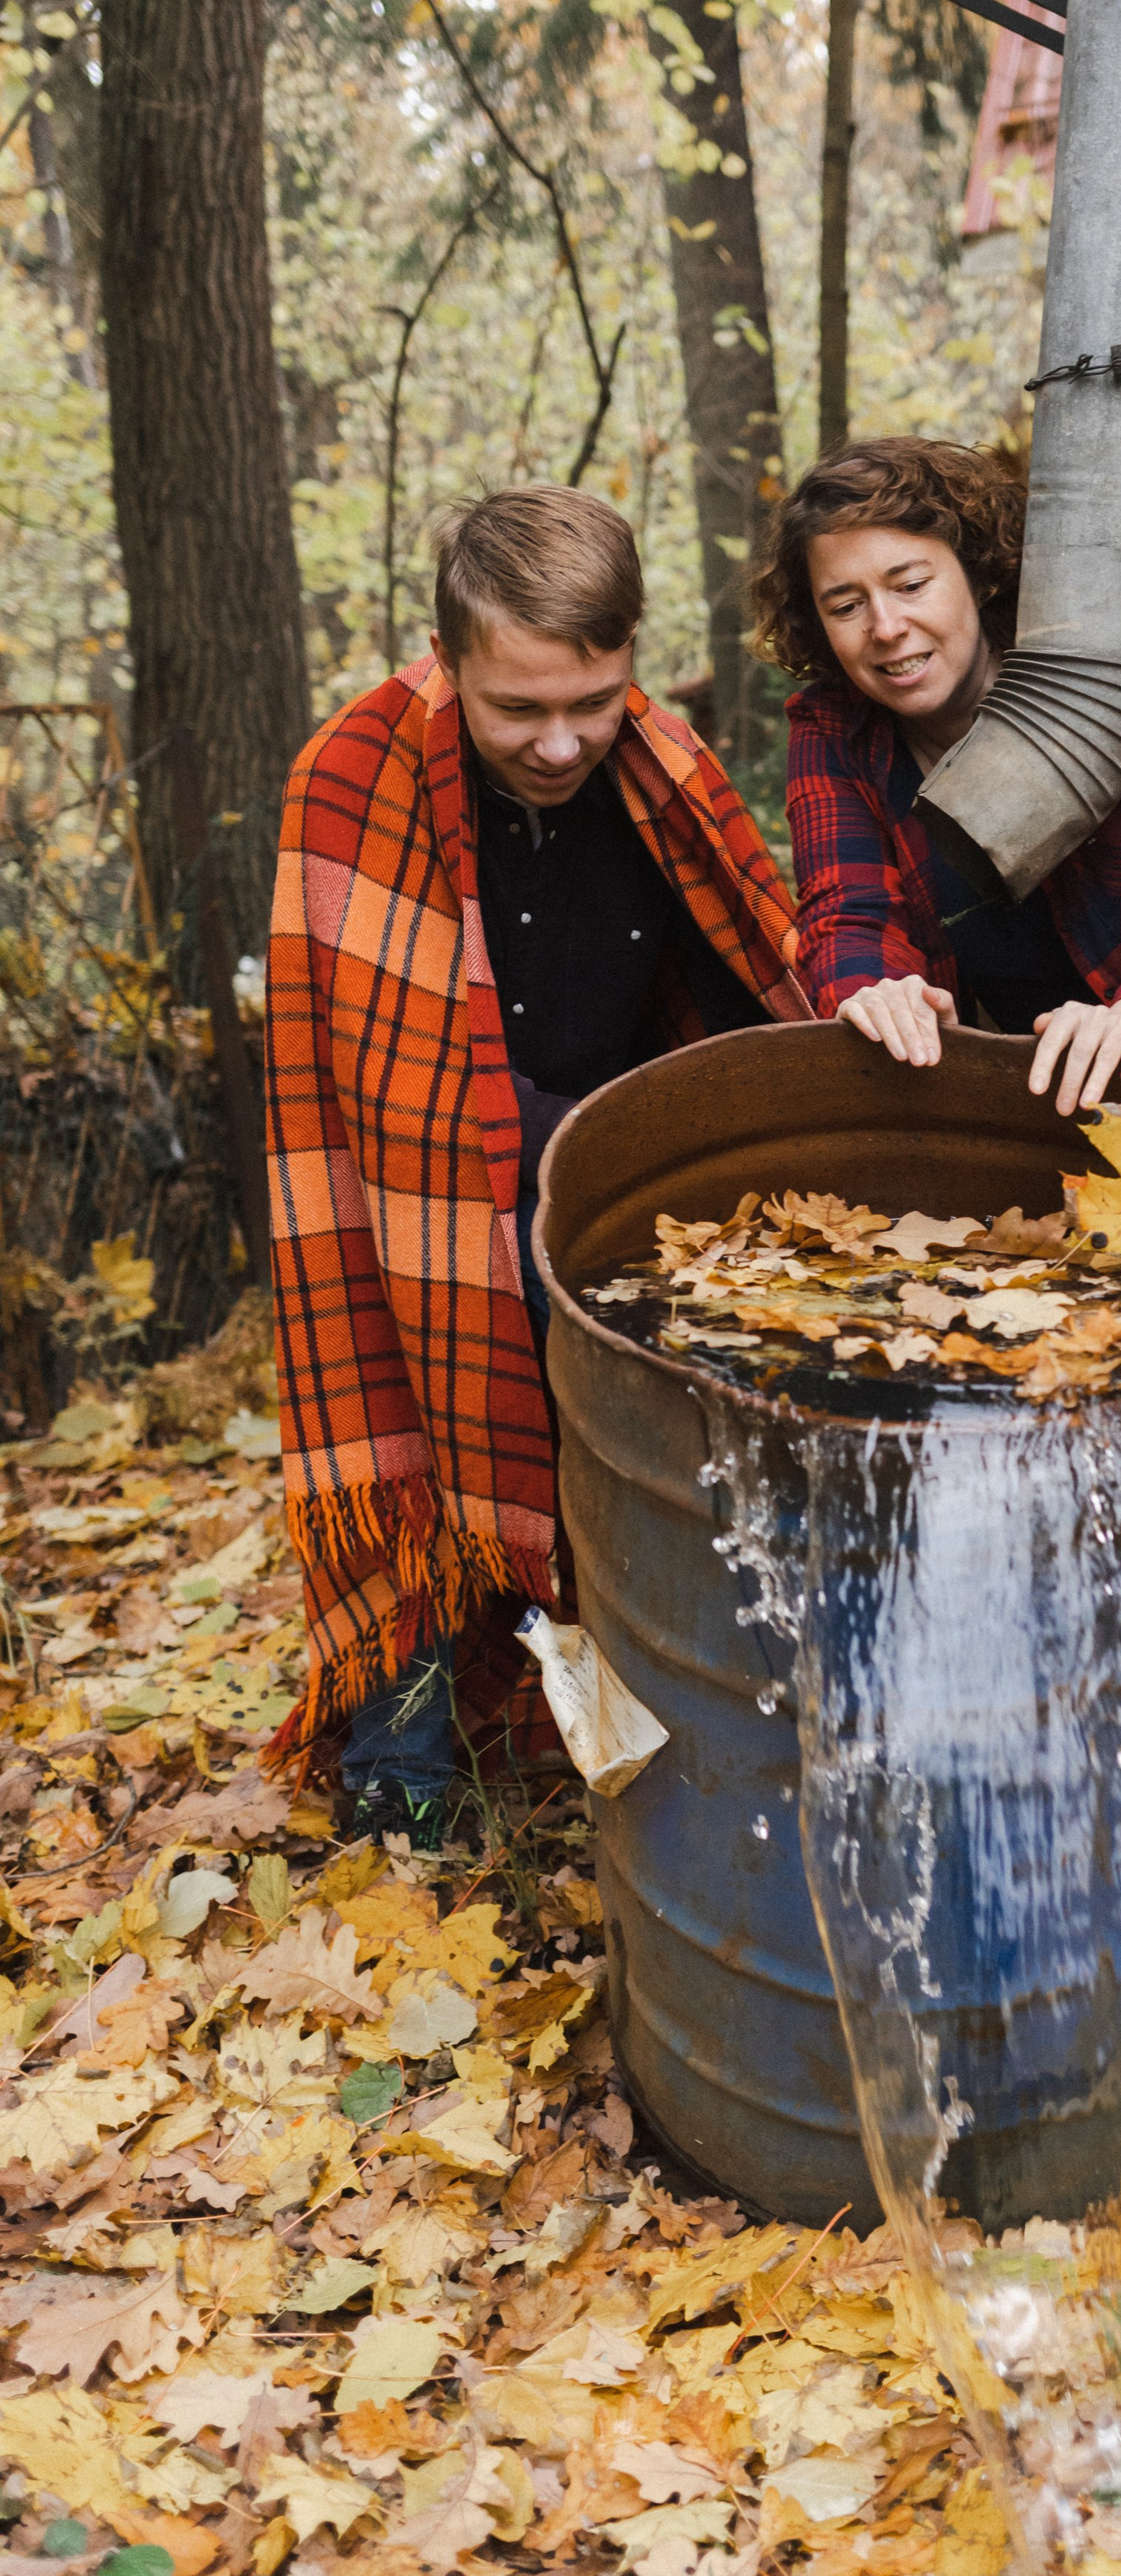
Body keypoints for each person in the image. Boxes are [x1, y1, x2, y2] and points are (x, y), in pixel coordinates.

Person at [264, 485, 809, 1844]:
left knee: (679, 1433)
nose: (563, 741)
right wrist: (586, 1159)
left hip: (625, 1197)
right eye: (520, 712)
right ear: (448, 662)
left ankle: (694, 1745)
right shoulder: (354, 775)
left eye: (596, 699)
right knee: (414, 1445)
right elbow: (374, 1085)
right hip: (425, 1214)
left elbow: (748, 992)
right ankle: (412, 1789)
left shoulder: (663, 767)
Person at [756, 436, 1121, 1116]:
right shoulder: (834, 729)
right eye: (846, 606)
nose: (886, 626)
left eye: (910, 585)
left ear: (977, 572)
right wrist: (873, 990)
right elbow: (847, 912)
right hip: (1074, 1095)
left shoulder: (1109, 670)